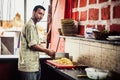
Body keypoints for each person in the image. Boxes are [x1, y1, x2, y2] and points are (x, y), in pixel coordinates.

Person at [18, 5, 56, 80]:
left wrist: (47, 50)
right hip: (28, 67)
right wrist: (47, 51)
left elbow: (37, 44)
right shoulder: (30, 26)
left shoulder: (34, 26)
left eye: (43, 14)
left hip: (34, 66)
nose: (41, 16)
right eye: (39, 13)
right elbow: (33, 45)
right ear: (33, 12)